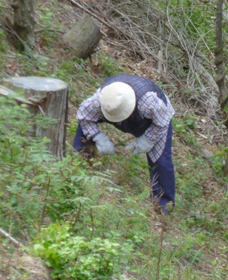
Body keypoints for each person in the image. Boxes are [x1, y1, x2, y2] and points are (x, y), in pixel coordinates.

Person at [73, 74, 176, 213]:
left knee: (161, 161)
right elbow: (84, 115)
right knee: (84, 130)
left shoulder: (149, 103)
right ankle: (76, 170)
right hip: (115, 110)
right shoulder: (101, 100)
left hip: (152, 122)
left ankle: (163, 206)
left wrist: (148, 139)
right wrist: (97, 137)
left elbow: (162, 122)